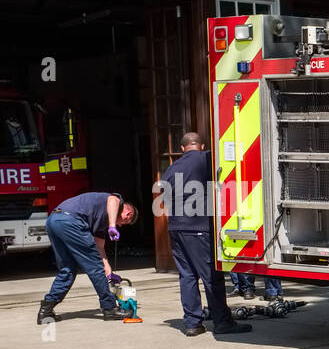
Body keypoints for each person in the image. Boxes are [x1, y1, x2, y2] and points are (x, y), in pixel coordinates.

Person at [159, 132, 251, 337]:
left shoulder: (172, 168)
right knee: (211, 276)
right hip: (198, 227)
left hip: (176, 228)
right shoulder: (208, 158)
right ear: (201, 146)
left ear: (182, 148)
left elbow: (164, 197)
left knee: (187, 276)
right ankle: (222, 322)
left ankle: (192, 323)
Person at [37, 191, 138, 323]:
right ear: (128, 214)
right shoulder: (117, 203)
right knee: (94, 267)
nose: (120, 225)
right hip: (70, 221)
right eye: (124, 223)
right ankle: (110, 308)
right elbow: (113, 200)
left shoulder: (100, 224)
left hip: (54, 221)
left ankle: (46, 309)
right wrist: (113, 226)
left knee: (67, 269)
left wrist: (109, 274)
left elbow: (99, 250)